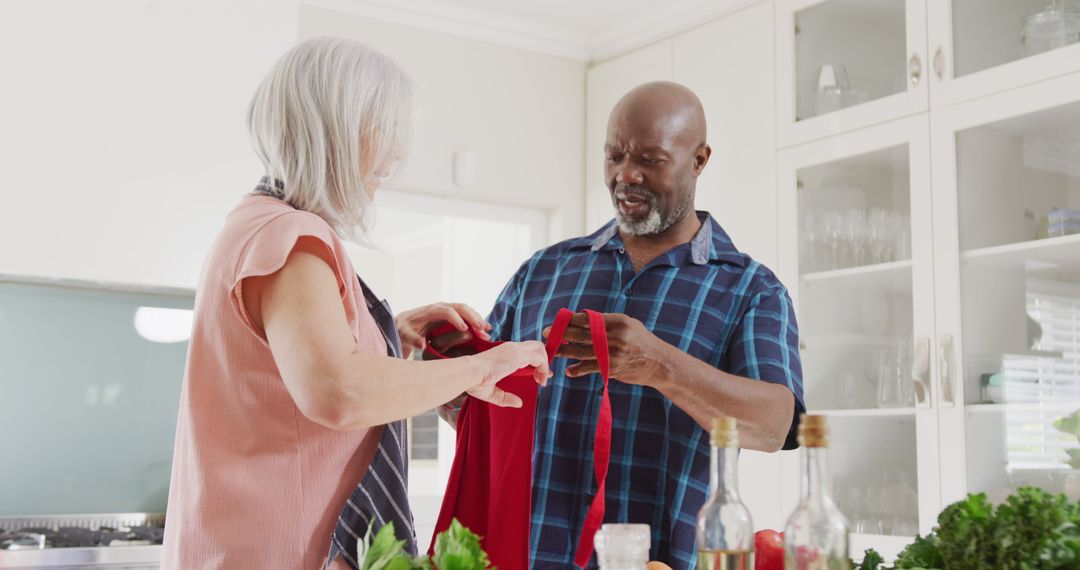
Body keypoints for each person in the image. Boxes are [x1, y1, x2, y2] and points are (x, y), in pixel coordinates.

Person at [162, 37, 551, 570]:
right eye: (385, 129)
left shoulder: (255, 225)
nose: (393, 154)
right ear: (339, 131)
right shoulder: (290, 238)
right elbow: (338, 391)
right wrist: (481, 367)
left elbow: (296, 362)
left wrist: (383, 329)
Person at [434, 81, 805, 569]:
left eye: (650, 159)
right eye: (614, 157)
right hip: (525, 556)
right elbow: (481, 408)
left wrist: (661, 366)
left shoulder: (752, 290)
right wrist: (444, 376)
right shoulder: (542, 272)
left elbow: (776, 427)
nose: (626, 175)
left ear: (699, 160)